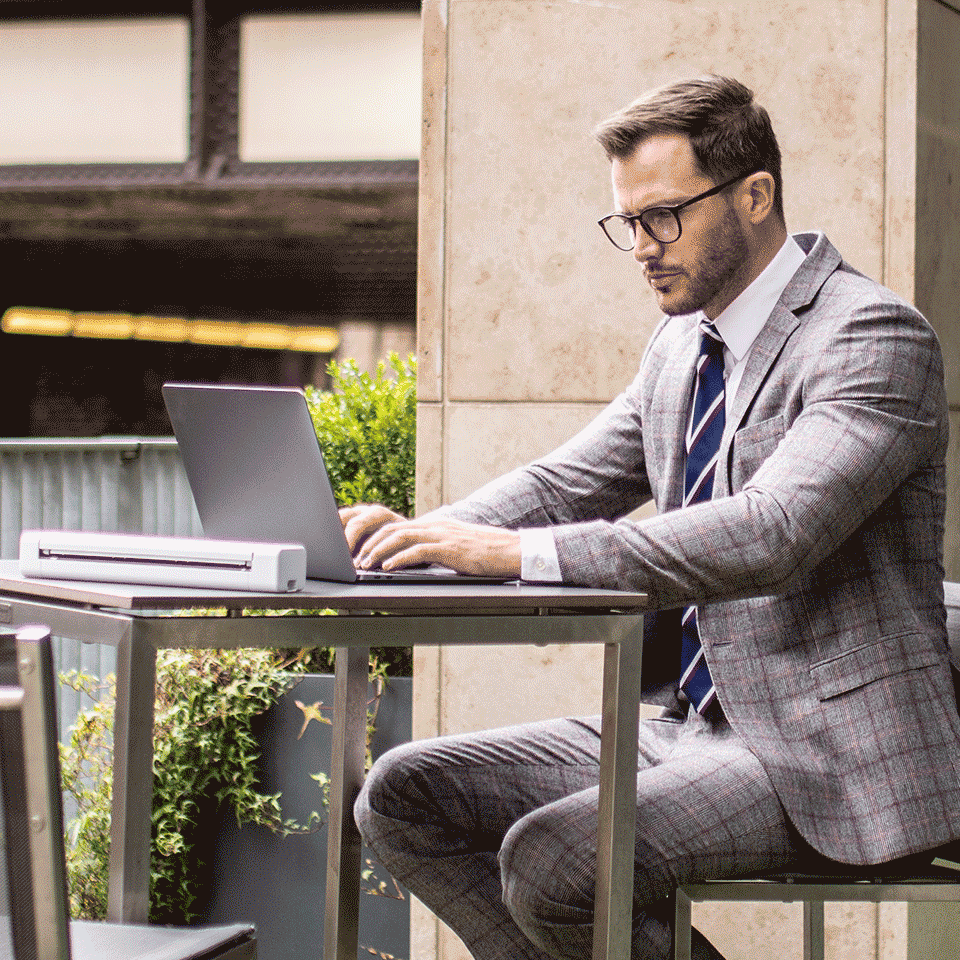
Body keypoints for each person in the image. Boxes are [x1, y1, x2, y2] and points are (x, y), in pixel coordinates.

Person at [339, 75, 960, 960]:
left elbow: (773, 530)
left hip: (821, 749)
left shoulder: (872, 336)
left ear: (754, 195)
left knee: (555, 861)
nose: (640, 246)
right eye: (626, 222)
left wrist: (514, 556)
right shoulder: (681, 343)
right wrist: (406, 542)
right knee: (401, 795)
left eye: (663, 216)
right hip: (682, 724)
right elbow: (568, 481)